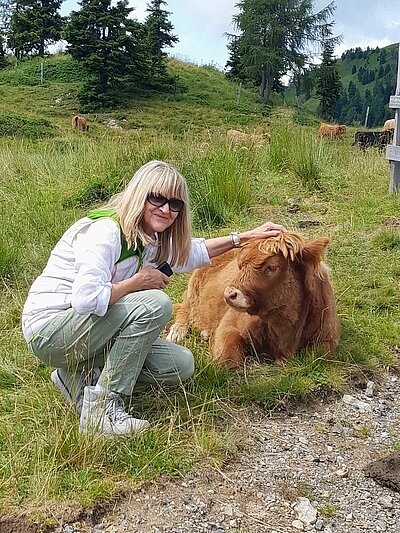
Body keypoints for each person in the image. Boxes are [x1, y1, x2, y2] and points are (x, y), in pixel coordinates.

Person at [22, 160, 285, 438]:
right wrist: (137, 283)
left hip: (86, 331)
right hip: (51, 333)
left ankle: (76, 376)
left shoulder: (148, 237)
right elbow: (86, 300)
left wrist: (244, 237)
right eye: (157, 198)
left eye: (175, 204)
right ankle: (103, 410)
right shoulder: (107, 232)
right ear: (140, 194)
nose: (166, 209)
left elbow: (191, 252)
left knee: (180, 364)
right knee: (156, 304)